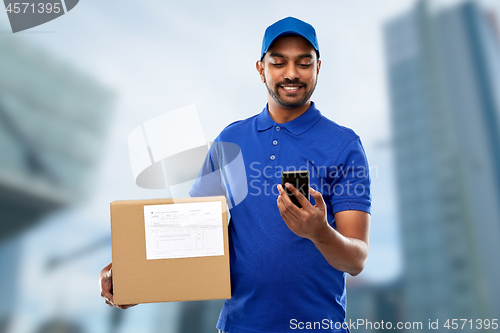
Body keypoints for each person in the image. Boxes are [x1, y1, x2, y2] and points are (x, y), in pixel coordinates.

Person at [100, 17, 371, 333]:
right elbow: (191, 235)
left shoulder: (343, 144)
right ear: (261, 68)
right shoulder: (230, 140)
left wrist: (319, 231)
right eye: (279, 62)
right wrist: (136, 279)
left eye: (304, 62)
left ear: (318, 67)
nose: (292, 73)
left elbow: (356, 261)